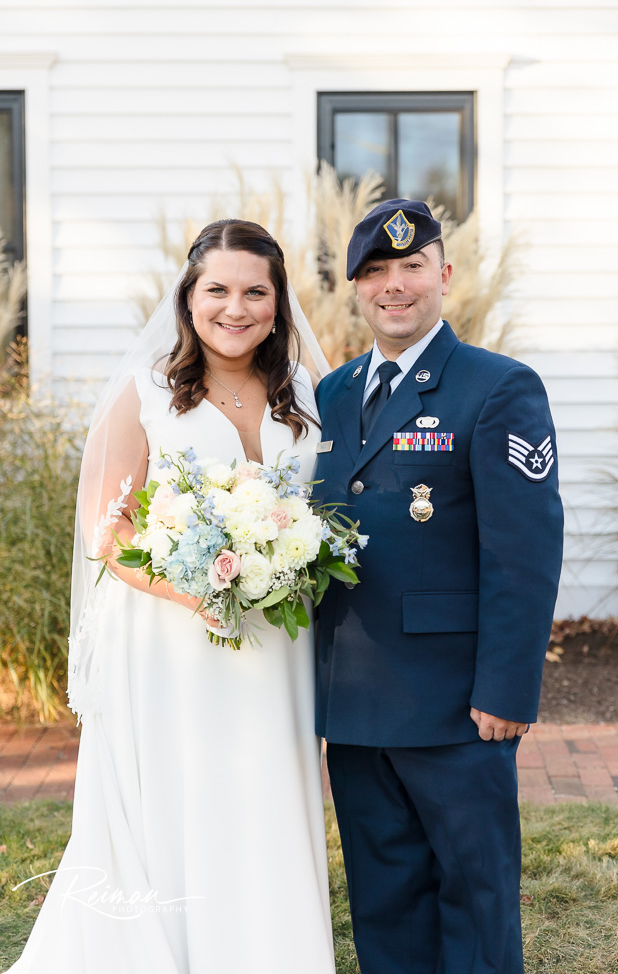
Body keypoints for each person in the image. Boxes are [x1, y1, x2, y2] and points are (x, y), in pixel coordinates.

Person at [8, 220, 336, 974]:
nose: (236, 307)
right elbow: (107, 529)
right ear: (188, 298)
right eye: (217, 289)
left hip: (275, 637)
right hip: (168, 634)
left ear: (279, 303)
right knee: (180, 791)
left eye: (256, 291)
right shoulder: (146, 393)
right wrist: (194, 592)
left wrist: (273, 566)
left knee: (264, 788)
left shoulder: (307, 394)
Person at [314, 199, 564, 974]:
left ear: (443, 277)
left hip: (456, 705)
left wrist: (508, 691)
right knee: (384, 900)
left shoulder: (496, 387)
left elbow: (524, 555)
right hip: (354, 702)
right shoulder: (331, 394)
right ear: (355, 287)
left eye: (411, 267)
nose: (395, 286)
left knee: (475, 896)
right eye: (376, 272)